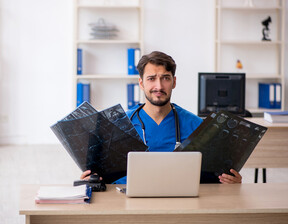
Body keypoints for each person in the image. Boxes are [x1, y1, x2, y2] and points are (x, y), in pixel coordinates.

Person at [81, 51, 242, 184]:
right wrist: (91, 179)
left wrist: (232, 181)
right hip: (128, 205)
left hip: (181, 204)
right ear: (141, 83)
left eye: (165, 78)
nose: (159, 86)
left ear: (174, 82)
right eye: (151, 79)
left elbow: (215, 179)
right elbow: (101, 177)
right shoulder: (117, 124)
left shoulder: (198, 126)